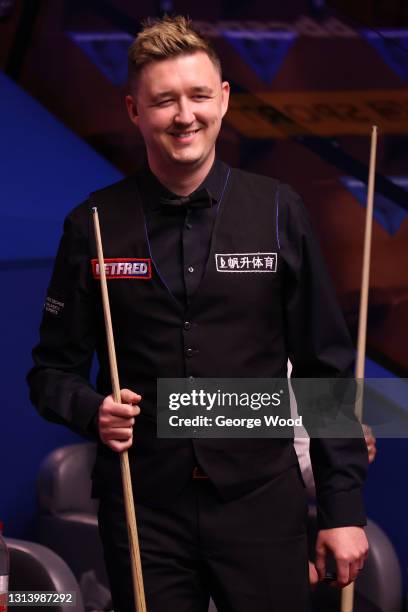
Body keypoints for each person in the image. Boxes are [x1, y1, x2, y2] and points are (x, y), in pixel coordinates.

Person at [28, 15, 369, 612]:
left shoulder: (278, 210)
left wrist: (343, 510)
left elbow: (325, 373)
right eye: (163, 100)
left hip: (263, 506)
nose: (185, 115)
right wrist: (91, 410)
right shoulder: (95, 226)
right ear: (135, 110)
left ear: (225, 99)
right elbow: (49, 373)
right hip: (143, 510)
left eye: (199, 96)